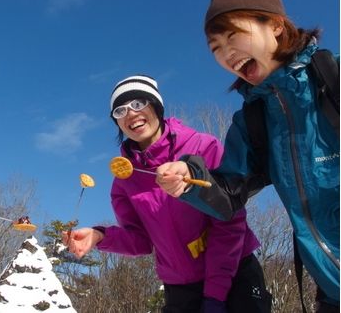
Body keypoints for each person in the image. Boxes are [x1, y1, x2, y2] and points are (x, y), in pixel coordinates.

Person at [155, 0, 340, 312]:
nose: (226, 53)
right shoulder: (253, 121)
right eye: (215, 47)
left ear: (275, 24)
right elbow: (228, 192)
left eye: (233, 35)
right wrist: (189, 179)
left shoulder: (334, 81)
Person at [64, 75, 271, 312]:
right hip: (181, 288)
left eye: (139, 104)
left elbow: (229, 221)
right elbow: (140, 241)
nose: (131, 114)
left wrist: (215, 296)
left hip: (234, 273)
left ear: (157, 106)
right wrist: (100, 236)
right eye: (120, 111)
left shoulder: (204, 148)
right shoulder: (124, 183)